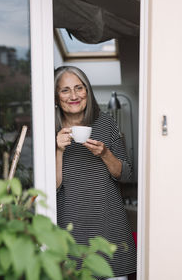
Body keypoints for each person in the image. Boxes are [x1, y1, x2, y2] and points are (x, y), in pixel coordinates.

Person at [55, 66, 136, 280]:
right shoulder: (49, 128)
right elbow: (49, 186)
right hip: (69, 228)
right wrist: (58, 150)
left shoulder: (106, 123)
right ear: (55, 95)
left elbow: (126, 174)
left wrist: (105, 153)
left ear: (87, 92)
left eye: (79, 88)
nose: (73, 96)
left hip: (109, 226)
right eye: (65, 90)